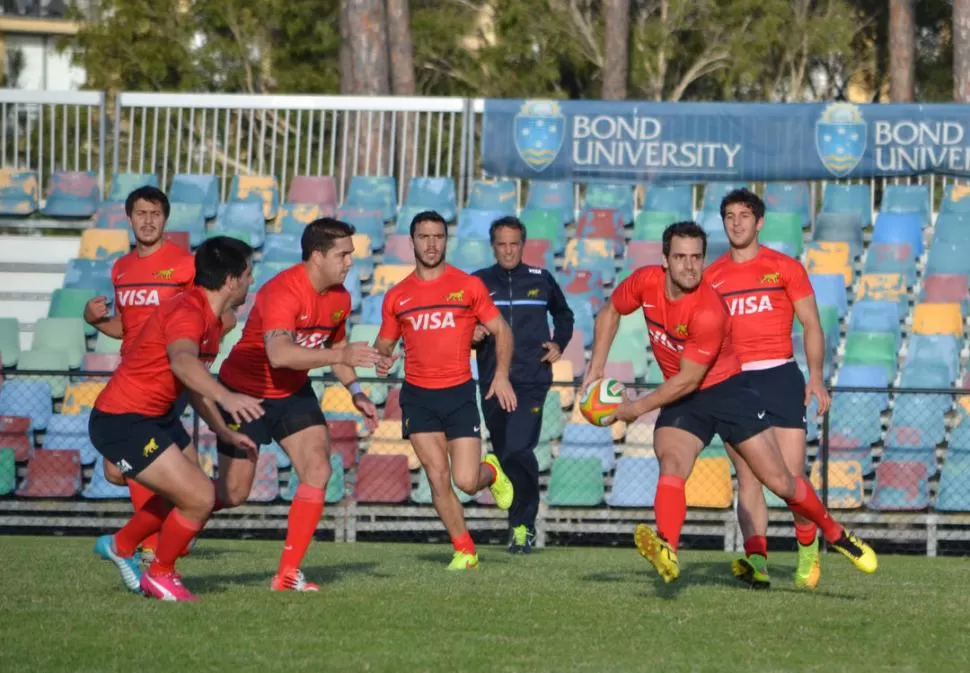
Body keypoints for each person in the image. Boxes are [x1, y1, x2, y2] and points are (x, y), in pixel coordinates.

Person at [582, 221, 876, 584]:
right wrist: (595, 369)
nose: (689, 266)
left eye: (696, 258)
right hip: (686, 396)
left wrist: (634, 409)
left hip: (726, 390)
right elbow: (610, 311)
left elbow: (690, 378)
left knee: (782, 482)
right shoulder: (644, 282)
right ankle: (668, 550)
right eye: (680, 257)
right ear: (664, 260)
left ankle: (836, 534)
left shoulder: (709, 309)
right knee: (671, 460)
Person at [207, 217, 383, 592]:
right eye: (343, 254)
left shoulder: (341, 297)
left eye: (352, 254)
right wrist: (342, 352)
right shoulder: (282, 291)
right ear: (316, 256)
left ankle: (287, 574)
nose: (351, 262)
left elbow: (335, 354)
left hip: (291, 394)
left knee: (318, 469)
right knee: (233, 494)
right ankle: (175, 511)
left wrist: (357, 392)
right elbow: (279, 354)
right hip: (245, 395)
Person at [90, 236, 263, 602]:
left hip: (155, 418)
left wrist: (221, 429)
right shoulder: (187, 311)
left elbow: (192, 382)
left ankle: (120, 545)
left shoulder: (213, 319)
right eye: (249, 274)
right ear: (231, 280)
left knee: (185, 496)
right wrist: (227, 397)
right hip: (123, 419)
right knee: (199, 497)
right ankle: (161, 574)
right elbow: (182, 361)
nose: (251, 281)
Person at [83, 186, 230, 564]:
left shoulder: (186, 265)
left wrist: (203, 347)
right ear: (129, 218)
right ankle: (160, 534)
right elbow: (127, 328)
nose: (148, 221)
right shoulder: (121, 268)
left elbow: (215, 313)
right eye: (140, 213)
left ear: (165, 219)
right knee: (122, 470)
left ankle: (151, 544)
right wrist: (94, 321)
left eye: (155, 214)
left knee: (138, 468)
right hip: (132, 377)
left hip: (167, 377)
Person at [374, 210, 516, 570]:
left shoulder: (467, 286)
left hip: (458, 394)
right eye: (424, 237)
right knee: (436, 476)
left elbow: (501, 330)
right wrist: (382, 357)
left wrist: (500, 375)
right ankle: (465, 550)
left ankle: (493, 472)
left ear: (446, 240)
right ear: (412, 241)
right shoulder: (397, 296)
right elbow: (385, 344)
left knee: (466, 481)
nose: (432, 243)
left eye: (438, 236)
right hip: (418, 397)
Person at [705, 188, 832, 590]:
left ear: (759, 222)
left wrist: (815, 377)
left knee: (792, 479)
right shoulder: (711, 276)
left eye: (744, 215)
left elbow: (812, 324)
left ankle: (807, 546)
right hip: (735, 382)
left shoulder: (785, 267)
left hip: (780, 376)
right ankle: (757, 560)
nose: (736, 222)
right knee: (749, 477)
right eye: (729, 215)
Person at [472, 216, 574, 553]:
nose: (508, 250)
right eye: (501, 244)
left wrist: (559, 342)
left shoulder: (541, 279)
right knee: (504, 455)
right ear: (493, 246)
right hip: (491, 382)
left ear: (523, 244)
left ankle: (524, 525)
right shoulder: (477, 283)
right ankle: (516, 528)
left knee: (518, 449)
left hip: (531, 380)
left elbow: (565, 315)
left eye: (513, 243)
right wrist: (472, 336)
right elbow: (463, 327)